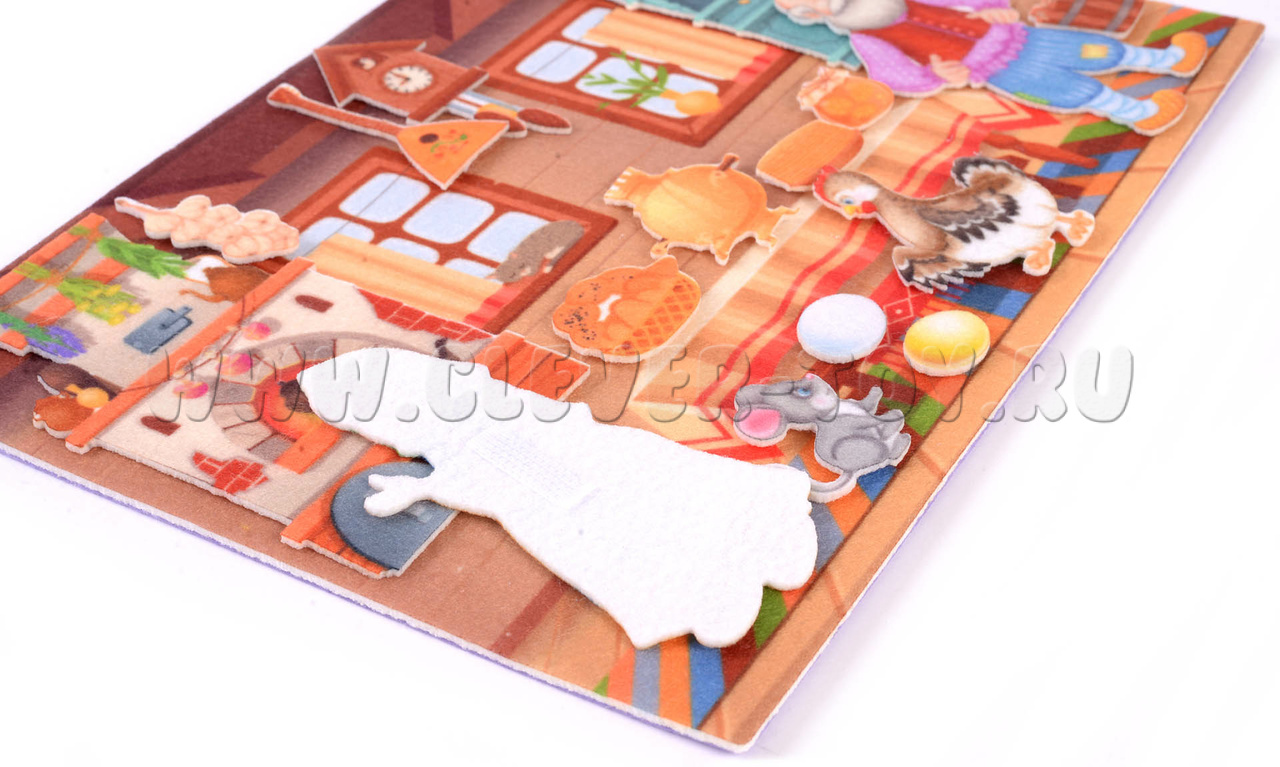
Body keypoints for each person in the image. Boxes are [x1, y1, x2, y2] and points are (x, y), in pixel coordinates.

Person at [774, 0, 1207, 135]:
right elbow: (894, 75)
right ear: (813, 16)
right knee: (1066, 90)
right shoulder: (865, 39)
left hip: (1022, 36)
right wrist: (937, 76)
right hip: (998, 71)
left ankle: (1164, 59)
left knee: (1092, 50)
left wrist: (992, 6)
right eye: (809, 4)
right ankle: (1139, 112)